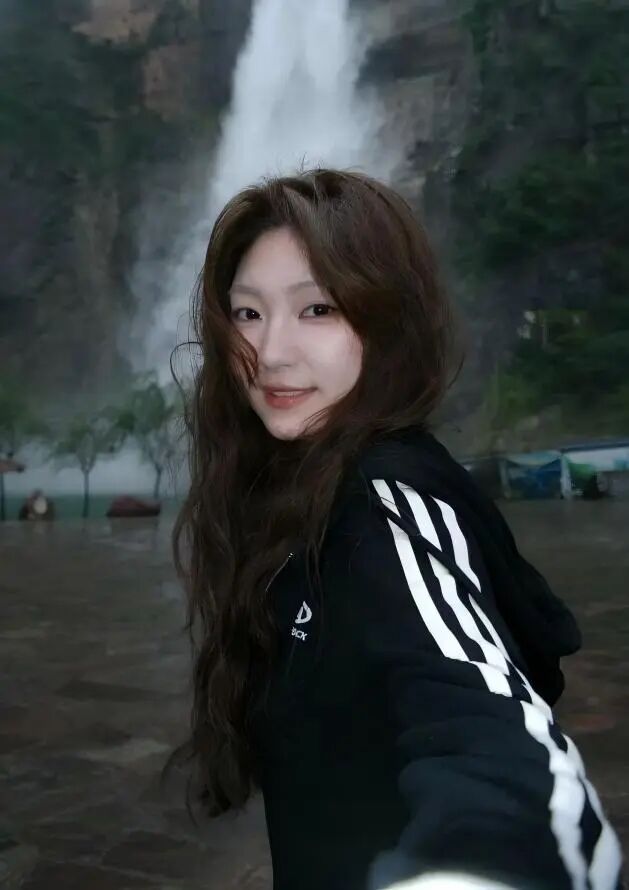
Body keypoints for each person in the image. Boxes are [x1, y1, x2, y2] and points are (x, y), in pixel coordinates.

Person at [171, 169, 623, 890]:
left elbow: (504, 755)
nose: (271, 352)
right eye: (247, 313)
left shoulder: (383, 510)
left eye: (318, 309)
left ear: (388, 321)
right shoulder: (293, 486)